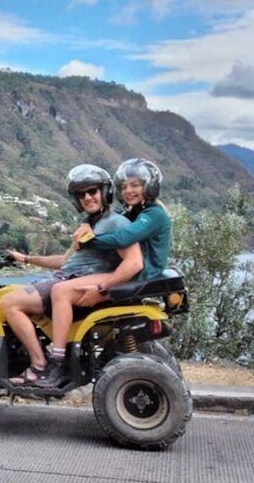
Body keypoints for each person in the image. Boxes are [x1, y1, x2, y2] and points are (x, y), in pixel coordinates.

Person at [0, 164, 143, 387]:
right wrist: (27, 259)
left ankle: (45, 364)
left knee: (9, 303)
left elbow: (134, 262)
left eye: (92, 191)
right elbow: (65, 261)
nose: (87, 197)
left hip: (75, 282)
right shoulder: (89, 225)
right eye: (81, 194)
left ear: (104, 192)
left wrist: (102, 288)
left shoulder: (116, 222)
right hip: (67, 276)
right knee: (9, 295)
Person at [37, 158, 171, 388]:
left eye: (135, 185)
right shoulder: (136, 211)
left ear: (149, 186)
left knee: (61, 292)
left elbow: (123, 238)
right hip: (138, 273)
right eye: (124, 186)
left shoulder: (154, 214)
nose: (128, 191)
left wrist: (89, 243)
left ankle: (58, 361)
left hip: (140, 274)